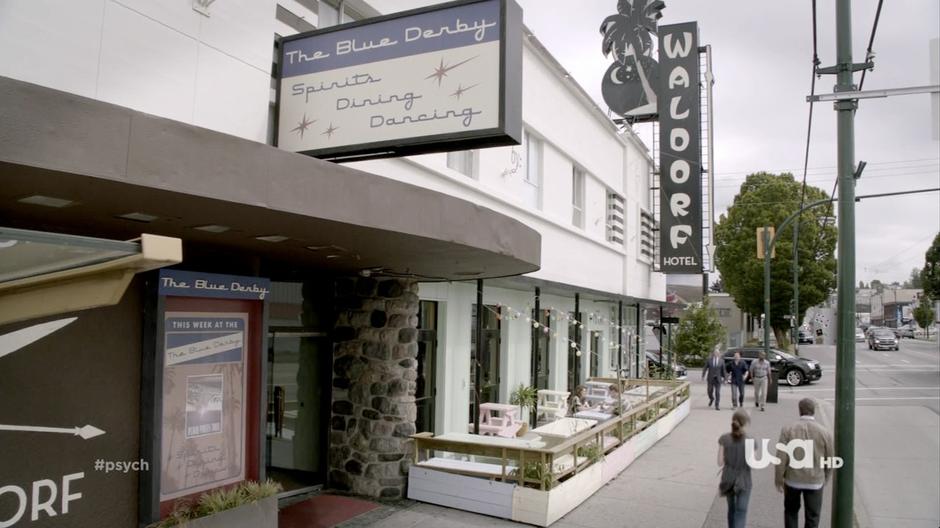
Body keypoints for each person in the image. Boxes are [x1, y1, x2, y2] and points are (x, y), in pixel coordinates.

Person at [775, 398, 834, 528]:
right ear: (814, 411)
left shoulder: (788, 429)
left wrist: (779, 479)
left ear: (800, 410)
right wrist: (826, 477)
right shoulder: (824, 432)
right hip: (815, 480)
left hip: (793, 479)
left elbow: (781, 457)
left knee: (791, 511)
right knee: (813, 516)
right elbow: (830, 457)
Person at [718, 409, 752, 528]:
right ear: (746, 423)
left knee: (731, 509)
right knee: (741, 512)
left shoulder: (724, 439)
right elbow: (752, 463)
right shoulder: (750, 441)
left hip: (728, 478)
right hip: (744, 479)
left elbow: (719, 462)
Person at [702, 346, 725, 410]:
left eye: (718, 353)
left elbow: (723, 370)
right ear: (713, 353)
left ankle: (717, 405)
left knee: (717, 392)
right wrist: (703, 376)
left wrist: (725, 378)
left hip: (718, 379)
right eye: (715, 352)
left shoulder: (721, 361)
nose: (716, 354)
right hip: (710, 379)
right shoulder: (709, 360)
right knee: (709, 391)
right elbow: (705, 368)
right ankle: (711, 398)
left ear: (719, 354)